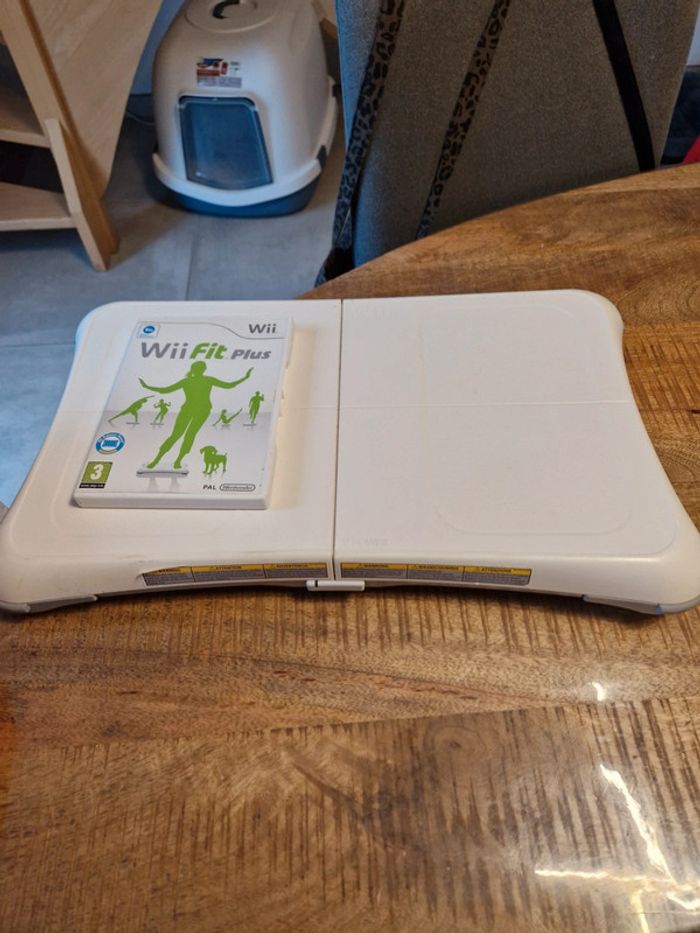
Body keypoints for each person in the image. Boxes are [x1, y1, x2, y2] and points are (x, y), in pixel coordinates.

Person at [139, 362, 252, 470]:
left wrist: (147, 386)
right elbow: (229, 385)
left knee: (178, 435)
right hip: (199, 410)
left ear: (193, 369)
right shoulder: (206, 380)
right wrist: (245, 377)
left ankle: (161, 460)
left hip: (195, 410)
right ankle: (174, 461)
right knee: (189, 435)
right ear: (204, 369)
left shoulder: (190, 381)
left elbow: (165, 390)